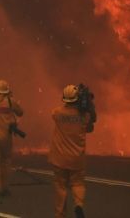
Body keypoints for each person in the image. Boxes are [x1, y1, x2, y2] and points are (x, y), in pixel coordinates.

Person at [49, 84, 91, 218]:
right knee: (78, 183)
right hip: (77, 158)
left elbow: (54, 113)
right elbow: (90, 126)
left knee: (60, 187)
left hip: (59, 158)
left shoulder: (57, 112)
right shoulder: (85, 116)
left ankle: (60, 215)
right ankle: (78, 204)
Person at [0, 79, 24, 196]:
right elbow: (21, 112)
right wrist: (11, 99)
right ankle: (5, 188)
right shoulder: (11, 101)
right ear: (7, 91)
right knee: (6, 161)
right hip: (6, 137)